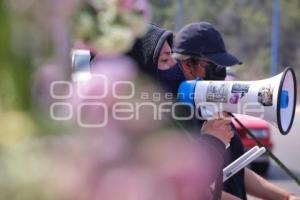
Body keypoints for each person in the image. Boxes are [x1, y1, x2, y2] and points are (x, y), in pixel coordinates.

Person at [172, 21, 300, 200]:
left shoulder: (210, 110)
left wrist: (285, 197)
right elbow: (199, 189)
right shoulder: (176, 120)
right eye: (214, 66)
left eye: (223, 67)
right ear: (187, 65)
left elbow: (235, 170)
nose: (221, 73)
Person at [128, 23, 234, 199]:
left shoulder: (168, 116)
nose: (174, 66)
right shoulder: (135, 131)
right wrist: (213, 142)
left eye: (173, 58)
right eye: (164, 60)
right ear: (141, 68)